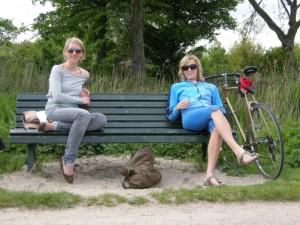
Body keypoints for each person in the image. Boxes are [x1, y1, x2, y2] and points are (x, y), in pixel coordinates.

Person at [166, 54, 259, 186]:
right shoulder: (177, 87)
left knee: (216, 129)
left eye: (192, 67)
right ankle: (239, 152)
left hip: (211, 116)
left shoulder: (211, 87)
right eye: (185, 68)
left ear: (198, 68)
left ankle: (209, 175)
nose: (189, 70)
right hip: (191, 117)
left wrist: (213, 110)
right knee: (214, 110)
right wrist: (177, 107)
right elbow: (170, 115)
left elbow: (221, 107)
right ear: (182, 70)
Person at [40, 37, 107, 184]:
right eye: (71, 50)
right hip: (55, 110)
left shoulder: (85, 74)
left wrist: (83, 91)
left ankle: (55, 126)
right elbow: (57, 95)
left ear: (82, 54)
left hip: (74, 114)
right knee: (83, 114)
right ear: (65, 52)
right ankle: (69, 160)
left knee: (101, 119)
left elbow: (75, 88)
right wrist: (80, 100)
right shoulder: (57, 70)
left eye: (78, 51)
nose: (74, 53)